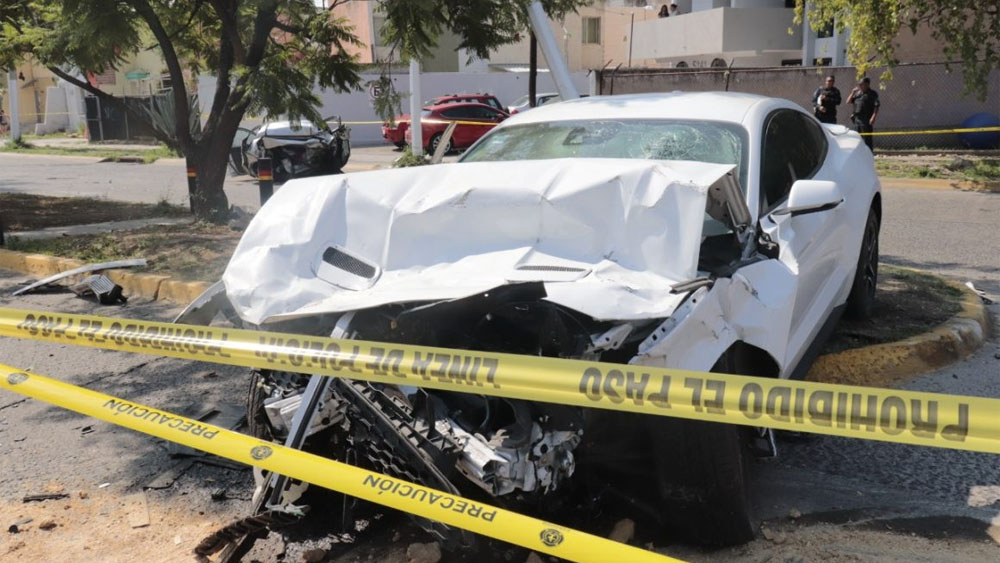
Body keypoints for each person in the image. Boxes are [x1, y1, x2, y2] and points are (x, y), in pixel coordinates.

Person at [847, 77, 880, 151]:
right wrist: (853, 92)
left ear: (867, 85)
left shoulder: (872, 94)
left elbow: (876, 106)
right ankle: (859, 153)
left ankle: (869, 153)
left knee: (867, 138)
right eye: (859, 84)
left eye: (862, 84)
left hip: (866, 119)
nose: (860, 86)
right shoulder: (858, 93)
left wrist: (873, 117)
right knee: (857, 138)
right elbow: (848, 101)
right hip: (857, 119)